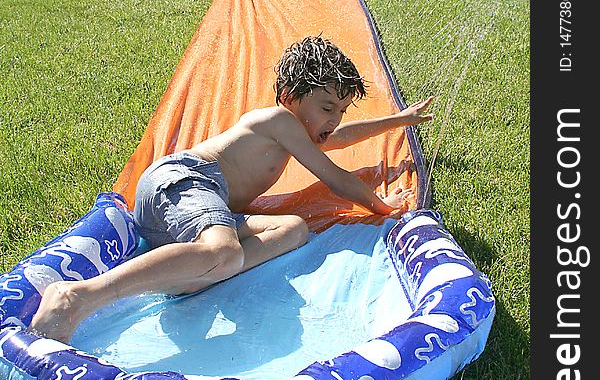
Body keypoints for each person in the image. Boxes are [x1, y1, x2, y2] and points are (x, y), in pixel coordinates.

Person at [29, 36, 433, 343]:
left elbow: (340, 138)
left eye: (340, 110)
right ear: (289, 97)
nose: (334, 119)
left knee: (291, 229)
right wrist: (382, 207)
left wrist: (398, 120)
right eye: (327, 107)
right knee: (225, 251)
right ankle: (79, 296)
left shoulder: (297, 128)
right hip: (184, 181)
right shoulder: (279, 120)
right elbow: (336, 177)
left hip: (195, 215)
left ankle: (197, 271)